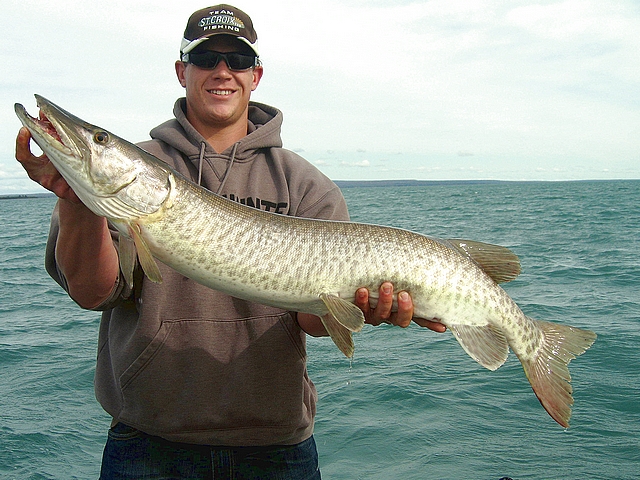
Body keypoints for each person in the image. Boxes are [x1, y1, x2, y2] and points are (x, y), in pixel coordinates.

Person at [16, 5, 445, 479]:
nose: (223, 71)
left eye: (237, 60)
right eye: (206, 58)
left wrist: (363, 305)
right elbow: (93, 291)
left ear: (255, 75)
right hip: (148, 445)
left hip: (276, 449)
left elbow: (311, 318)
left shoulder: (305, 185)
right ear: (182, 71)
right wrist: (76, 199)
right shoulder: (142, 175)